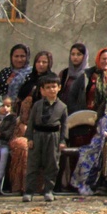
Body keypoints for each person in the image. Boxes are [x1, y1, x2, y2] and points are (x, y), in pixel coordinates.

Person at [23, 73, 67, 203]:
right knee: (33, 164)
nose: (51, 90)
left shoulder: (62, 106)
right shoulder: (37, 105)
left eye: (54, 86)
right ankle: (29, 191)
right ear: (42, 90)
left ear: (59, 87)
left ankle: (48, 190)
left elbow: (65, 125)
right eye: (48, 87)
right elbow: (31, 122)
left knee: (52, 164)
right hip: (38, 135)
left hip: (53, 137)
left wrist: (62, 140)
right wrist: (30, 138)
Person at [75, 96, 107, 196]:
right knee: (92, 162)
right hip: (98, 144)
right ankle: (86, 185)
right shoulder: (105, 119)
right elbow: (104, 133)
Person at [59, 44, 90, 114]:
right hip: (63, 111)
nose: (75, 57)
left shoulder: (88, 74)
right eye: (73, 54)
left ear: (84, 56)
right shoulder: (65, 73)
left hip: (80, 112)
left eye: (79, 54)